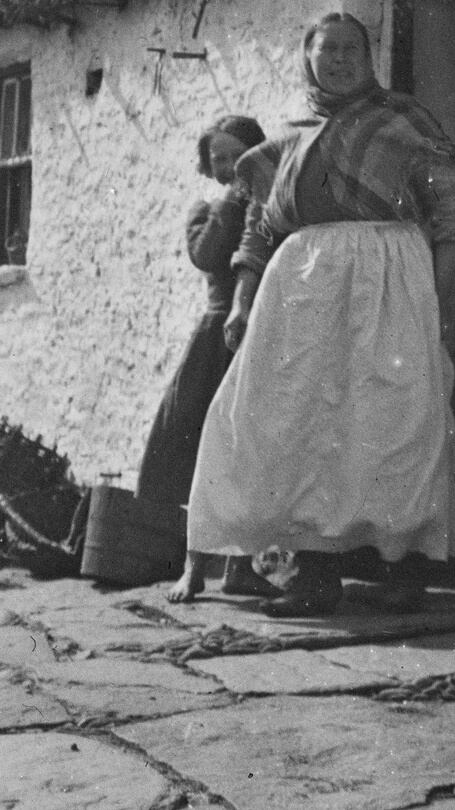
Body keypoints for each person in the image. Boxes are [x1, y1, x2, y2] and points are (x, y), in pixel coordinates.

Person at [186, 12, 455, 617]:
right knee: (298, 422)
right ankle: (312, 576)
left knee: (390, 419)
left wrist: (436, 298)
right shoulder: (291, 139)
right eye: (328, 50)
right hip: (301, 288)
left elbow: (450, 204)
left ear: (370, 57)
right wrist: (242, 300)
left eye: (352, 49)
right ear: (308, 57)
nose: (340, 60)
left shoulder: (403, 121)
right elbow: (262, 229)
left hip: (387, 277)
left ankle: (405, 571)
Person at [137, 115, 282, 603]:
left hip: (263, 329)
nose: (226, 166)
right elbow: (208, 255)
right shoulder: (217, 207)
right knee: (204, 444)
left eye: (234, 155)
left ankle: (239, 568)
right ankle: (194, 566)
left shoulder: (268, 197)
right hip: (219, 334)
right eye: (217, 158)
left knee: (248, 449)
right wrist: (221, 205)